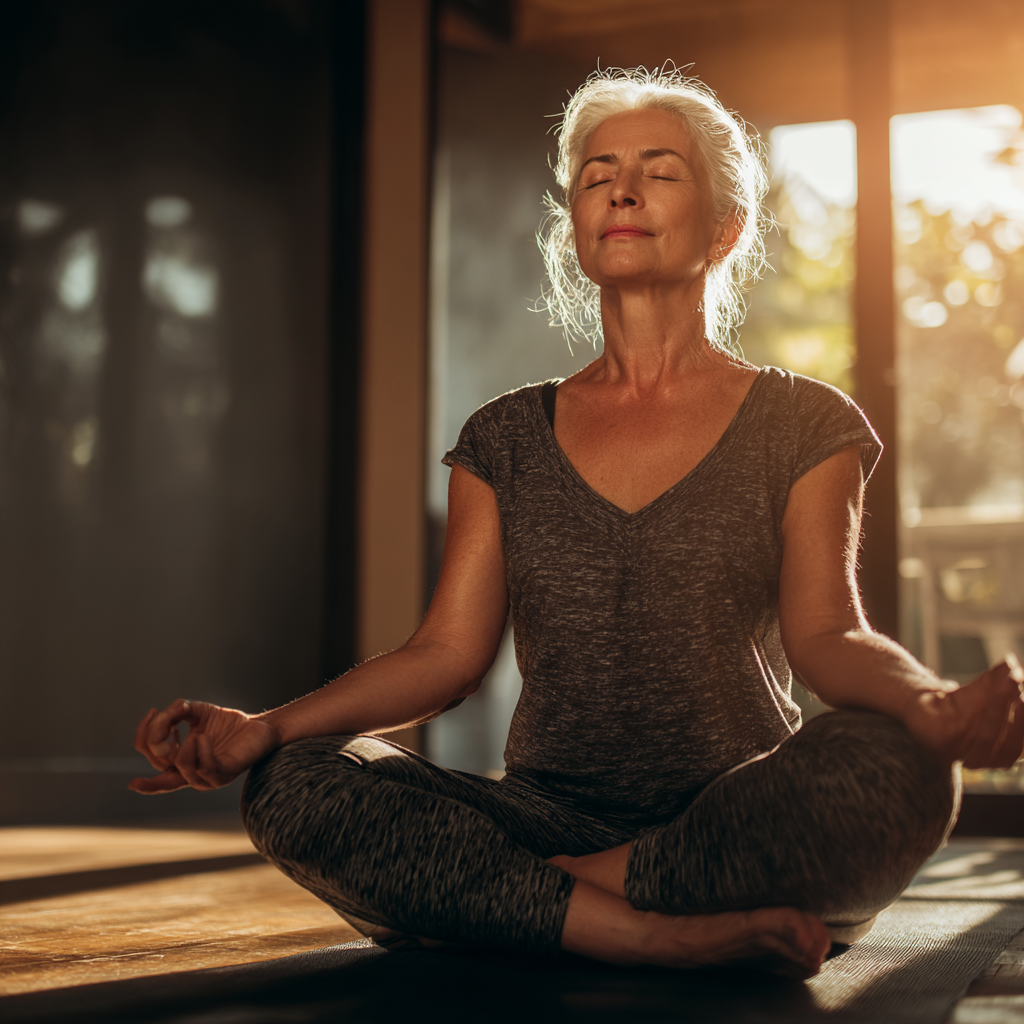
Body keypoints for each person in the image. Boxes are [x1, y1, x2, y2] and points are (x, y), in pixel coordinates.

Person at [130, 67, 1024, 979]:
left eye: (659, 172)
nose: (622, 191)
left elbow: (830, 635)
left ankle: (530, 901)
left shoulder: (803, 421)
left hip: (735, 816)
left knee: (901, 766)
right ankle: (655, 932)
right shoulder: (506, 437)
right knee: (295, 783)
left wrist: (930, 706)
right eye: (598, 176)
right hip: (543, 815)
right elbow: (445, 656)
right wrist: (266, 727)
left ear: (726, 228)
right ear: (578, 226)